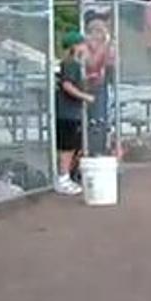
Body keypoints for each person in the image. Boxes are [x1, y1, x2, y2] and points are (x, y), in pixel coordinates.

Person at [55, 31, 95, 196]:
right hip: (67, 112)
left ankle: (66, 177)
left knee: (72, 146)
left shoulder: (75, 64)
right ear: (74, 46)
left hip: (71, 112)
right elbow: (67, 85)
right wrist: (85, 96)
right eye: (82, 44)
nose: (85, 47)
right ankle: (63, 179)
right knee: (67, 147)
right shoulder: (70, 63)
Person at [84, 17, 116, 155]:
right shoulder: (86, 47)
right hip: (90, 86)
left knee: (103, 119)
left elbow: (112, 63)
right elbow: (92, 62)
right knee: (94, 120)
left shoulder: (107, 46)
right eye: (97, 31)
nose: (100, 35)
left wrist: (109, 44)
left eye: (101, 32)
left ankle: (102, 148)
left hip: (103, 85)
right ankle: (93, 149)